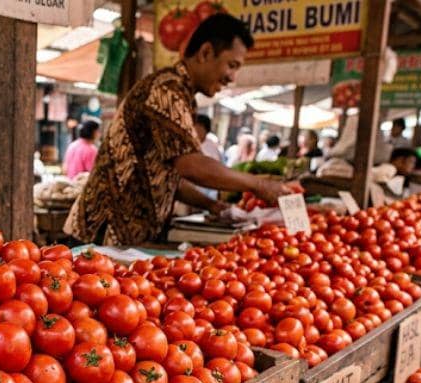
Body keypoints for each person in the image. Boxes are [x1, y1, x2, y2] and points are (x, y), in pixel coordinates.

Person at [66, 13, 293, 246]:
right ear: (205, 52)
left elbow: (171, 175)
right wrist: (258, 184)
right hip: (104, 232)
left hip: (125, 237)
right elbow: (191, 165)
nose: (232, 78)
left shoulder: (183, 97)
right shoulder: (166, 91)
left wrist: (212, 205)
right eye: (232, 65)